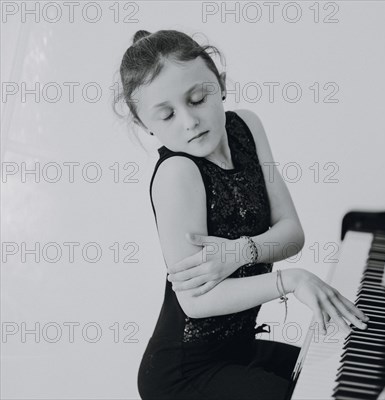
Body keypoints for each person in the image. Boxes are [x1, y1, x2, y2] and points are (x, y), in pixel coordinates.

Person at [113, 29, 369, 399]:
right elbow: (196, 301)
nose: (189, 121)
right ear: (144, 124)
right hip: (185, 372)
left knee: (341, 373)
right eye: (167, 115)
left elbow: (292, 233)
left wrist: (240, 252)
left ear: (221, 84)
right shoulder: (177, 175)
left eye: (198, 98)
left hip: (240, 349)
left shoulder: (246, 126)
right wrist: (289, 280)